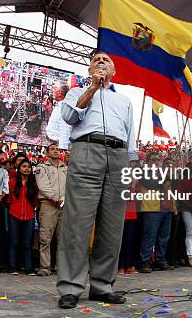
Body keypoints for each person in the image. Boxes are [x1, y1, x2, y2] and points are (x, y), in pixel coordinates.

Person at [57, 50, 137, 309]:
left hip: (117, 156)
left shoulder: (125, 100)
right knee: (77, 223)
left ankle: (103, 286)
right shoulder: (76, 92)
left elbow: (131, 136)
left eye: (106, 60)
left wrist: (131, 166)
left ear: (114, 70)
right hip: (86, 150)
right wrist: (92, 88)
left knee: (112, 226)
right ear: (90, 68)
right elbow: (70, 117)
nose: (101, 62)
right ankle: (70, 287)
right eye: (95, 60)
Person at [137, 155, 176, 273]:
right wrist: (164, 178)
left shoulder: (162, 173)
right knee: (150, 236)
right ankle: (145, 261)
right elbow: (150, 184)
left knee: (164, 237)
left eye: (157, 160)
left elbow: (169, 190)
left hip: (166, 207)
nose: (156, 162)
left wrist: (173, 205)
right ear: (147, 161)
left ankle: (160, 260)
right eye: (153, 159)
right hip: (152, 208)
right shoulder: (143, 172)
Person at [35, 142, 66, 277]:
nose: (55, 151)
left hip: (64, 205)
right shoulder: (41, 167)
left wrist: (64, 199)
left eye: (57, 149)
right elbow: (43, 186)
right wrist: (55, 198)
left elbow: (72, 185)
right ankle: (45, 266)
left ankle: (61, 267)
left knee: (63, 239)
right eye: (52, 149)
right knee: (45, 237)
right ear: (47, 152)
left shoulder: (67, 168)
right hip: (48, 204)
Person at [7, 158, 38, 275]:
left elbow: (35, 201)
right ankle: (12, 266)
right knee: (13, 242)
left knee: (26, 243)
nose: (27, 169)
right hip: (14, 214)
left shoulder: (34, 184)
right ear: (19, 168)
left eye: (29, 167)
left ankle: (28, 267)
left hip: (29, 216)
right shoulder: (12, 182)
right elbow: (9, 200)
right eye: (24, 166)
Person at [46, 81, 72, 149]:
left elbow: (65, 132)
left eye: (54, 88)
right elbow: (57, 122)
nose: (52, 91)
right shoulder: (59, 105)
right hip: (53, 142)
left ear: (59, 93)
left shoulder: (65, 108)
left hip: (57, 144)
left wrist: (62, 150)